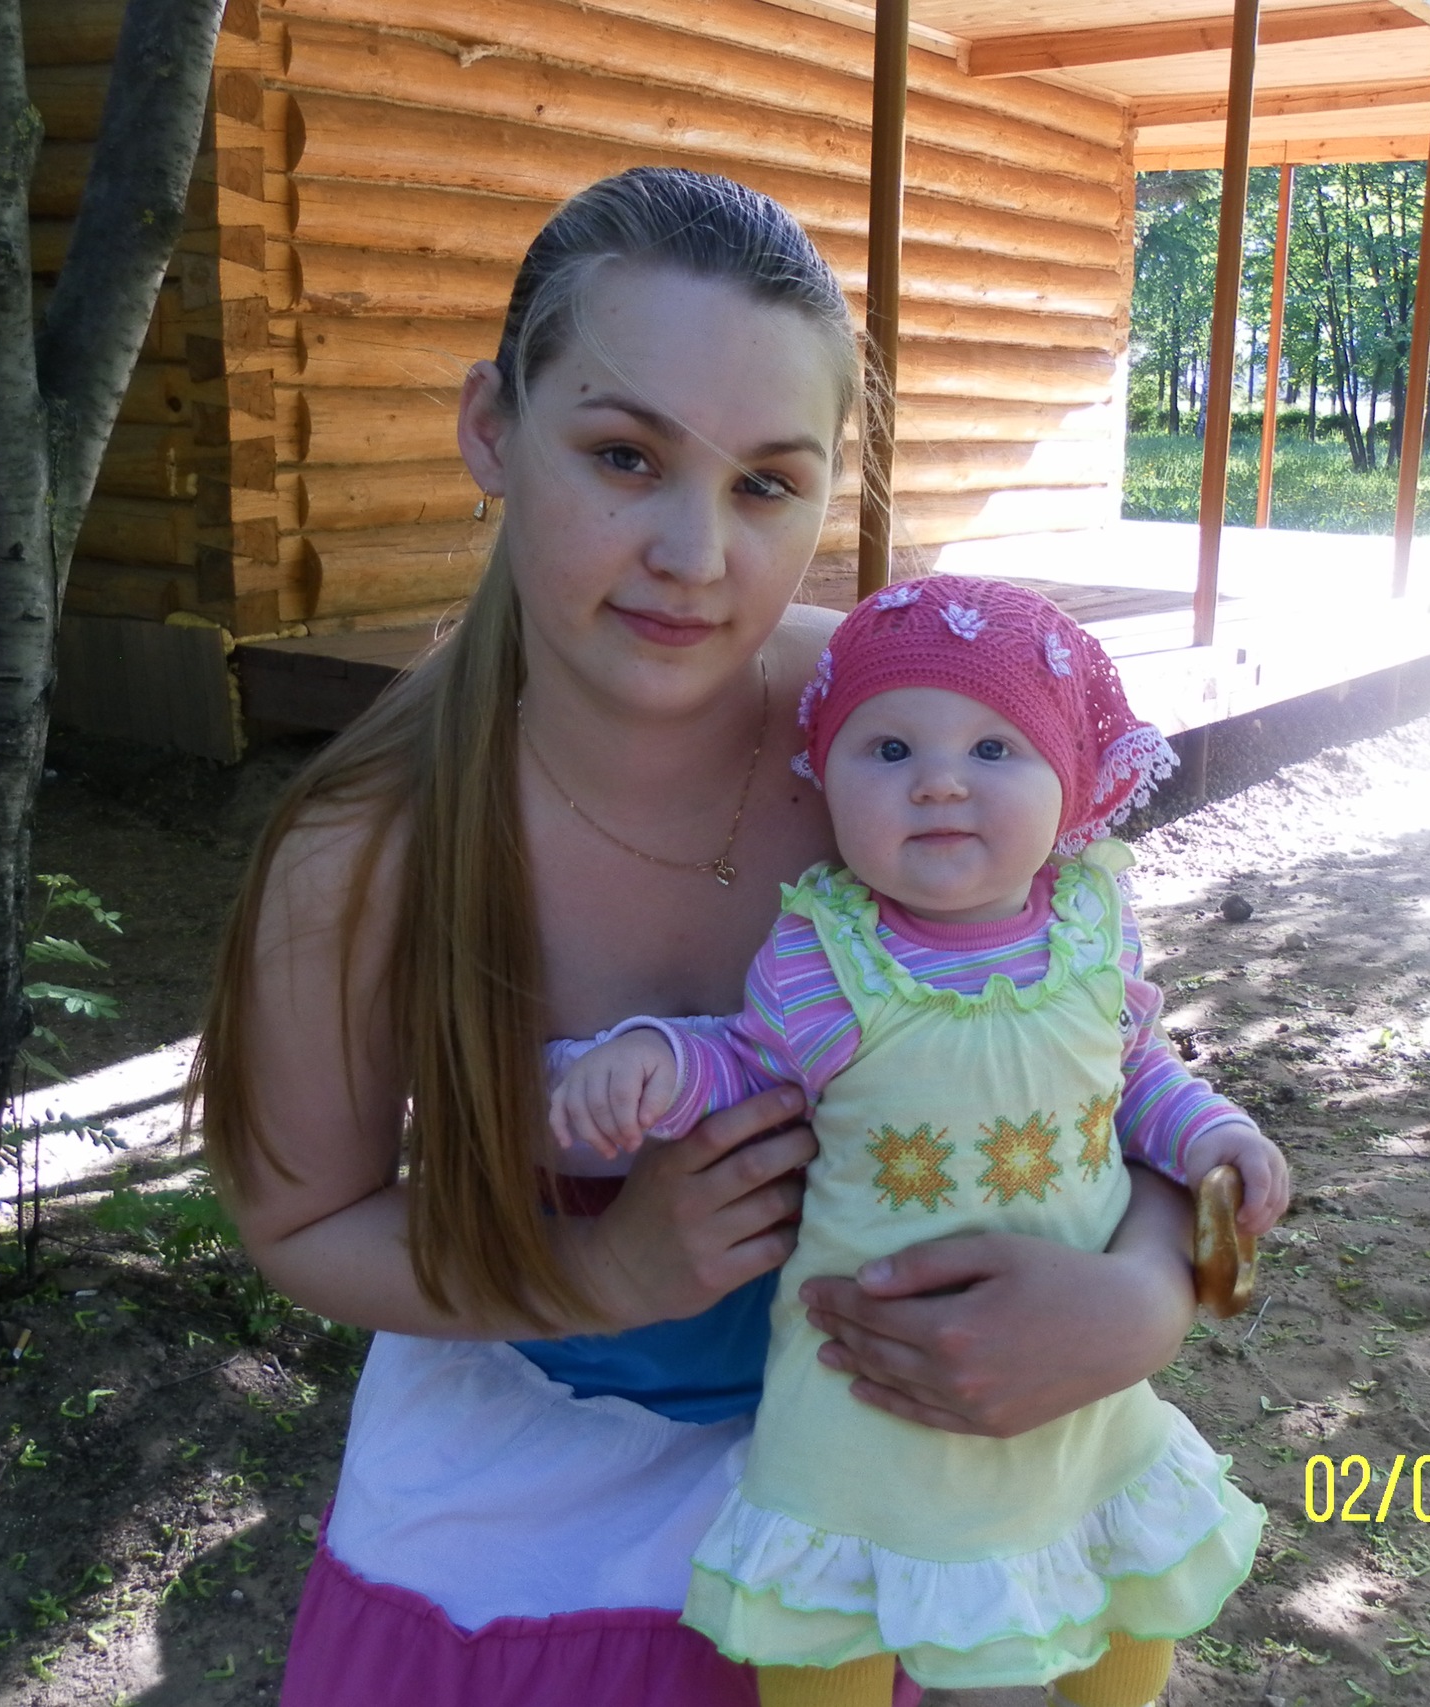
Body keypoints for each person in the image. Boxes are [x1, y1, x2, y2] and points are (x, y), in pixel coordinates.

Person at [197, 168, 1227, 1707]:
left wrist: (1143, 1292)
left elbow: (1097, 1047)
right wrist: (596, 1271)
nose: (695, 552)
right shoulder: (364, 850)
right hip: (541, 1481)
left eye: (766, 484)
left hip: (936, 1480)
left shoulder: (898, 735)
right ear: (492, 427)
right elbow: (302, 1222)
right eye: (626, 455)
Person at [549, 577, 1288, 1705]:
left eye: (994, 748)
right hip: (864, 1386)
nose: (939, 780)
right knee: (831, 1618)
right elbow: (744, 1062)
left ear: (1069, 778)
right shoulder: (825, 957)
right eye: (889, 749)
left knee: (1115, 1586)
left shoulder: (1093, 926)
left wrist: (1215, 1136)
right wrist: (649, 1059)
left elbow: (1134, 1074)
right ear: (825, 780)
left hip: (1072, 1365)